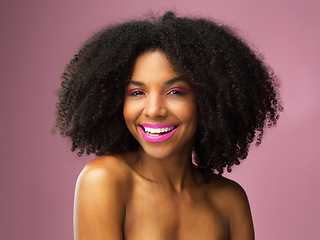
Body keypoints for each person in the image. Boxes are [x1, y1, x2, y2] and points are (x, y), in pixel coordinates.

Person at [54, 11, 282, 240]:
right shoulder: (104, 180)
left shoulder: (230, 200)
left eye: (175, 92)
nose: (153, 110)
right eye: (137, 92)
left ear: (208, 99)